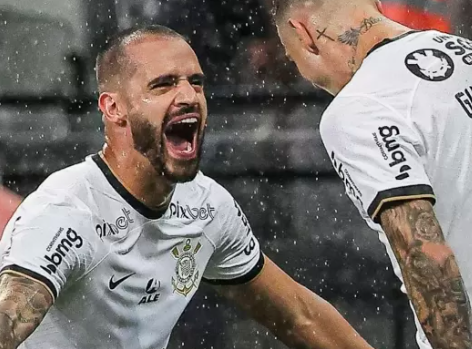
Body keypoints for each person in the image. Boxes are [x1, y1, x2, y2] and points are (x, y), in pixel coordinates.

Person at [0, 25, 377, 349]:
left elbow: (300, 317)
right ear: (114, 108)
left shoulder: (208, 206)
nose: (188, 96)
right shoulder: (65, 210)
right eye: (163, 85)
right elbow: (10, 315)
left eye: (196, 82)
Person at [272, 0, 472, 349]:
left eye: (293, 57)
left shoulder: (358, 108)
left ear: (302, 34)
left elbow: (424, 255)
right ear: (373, 5)